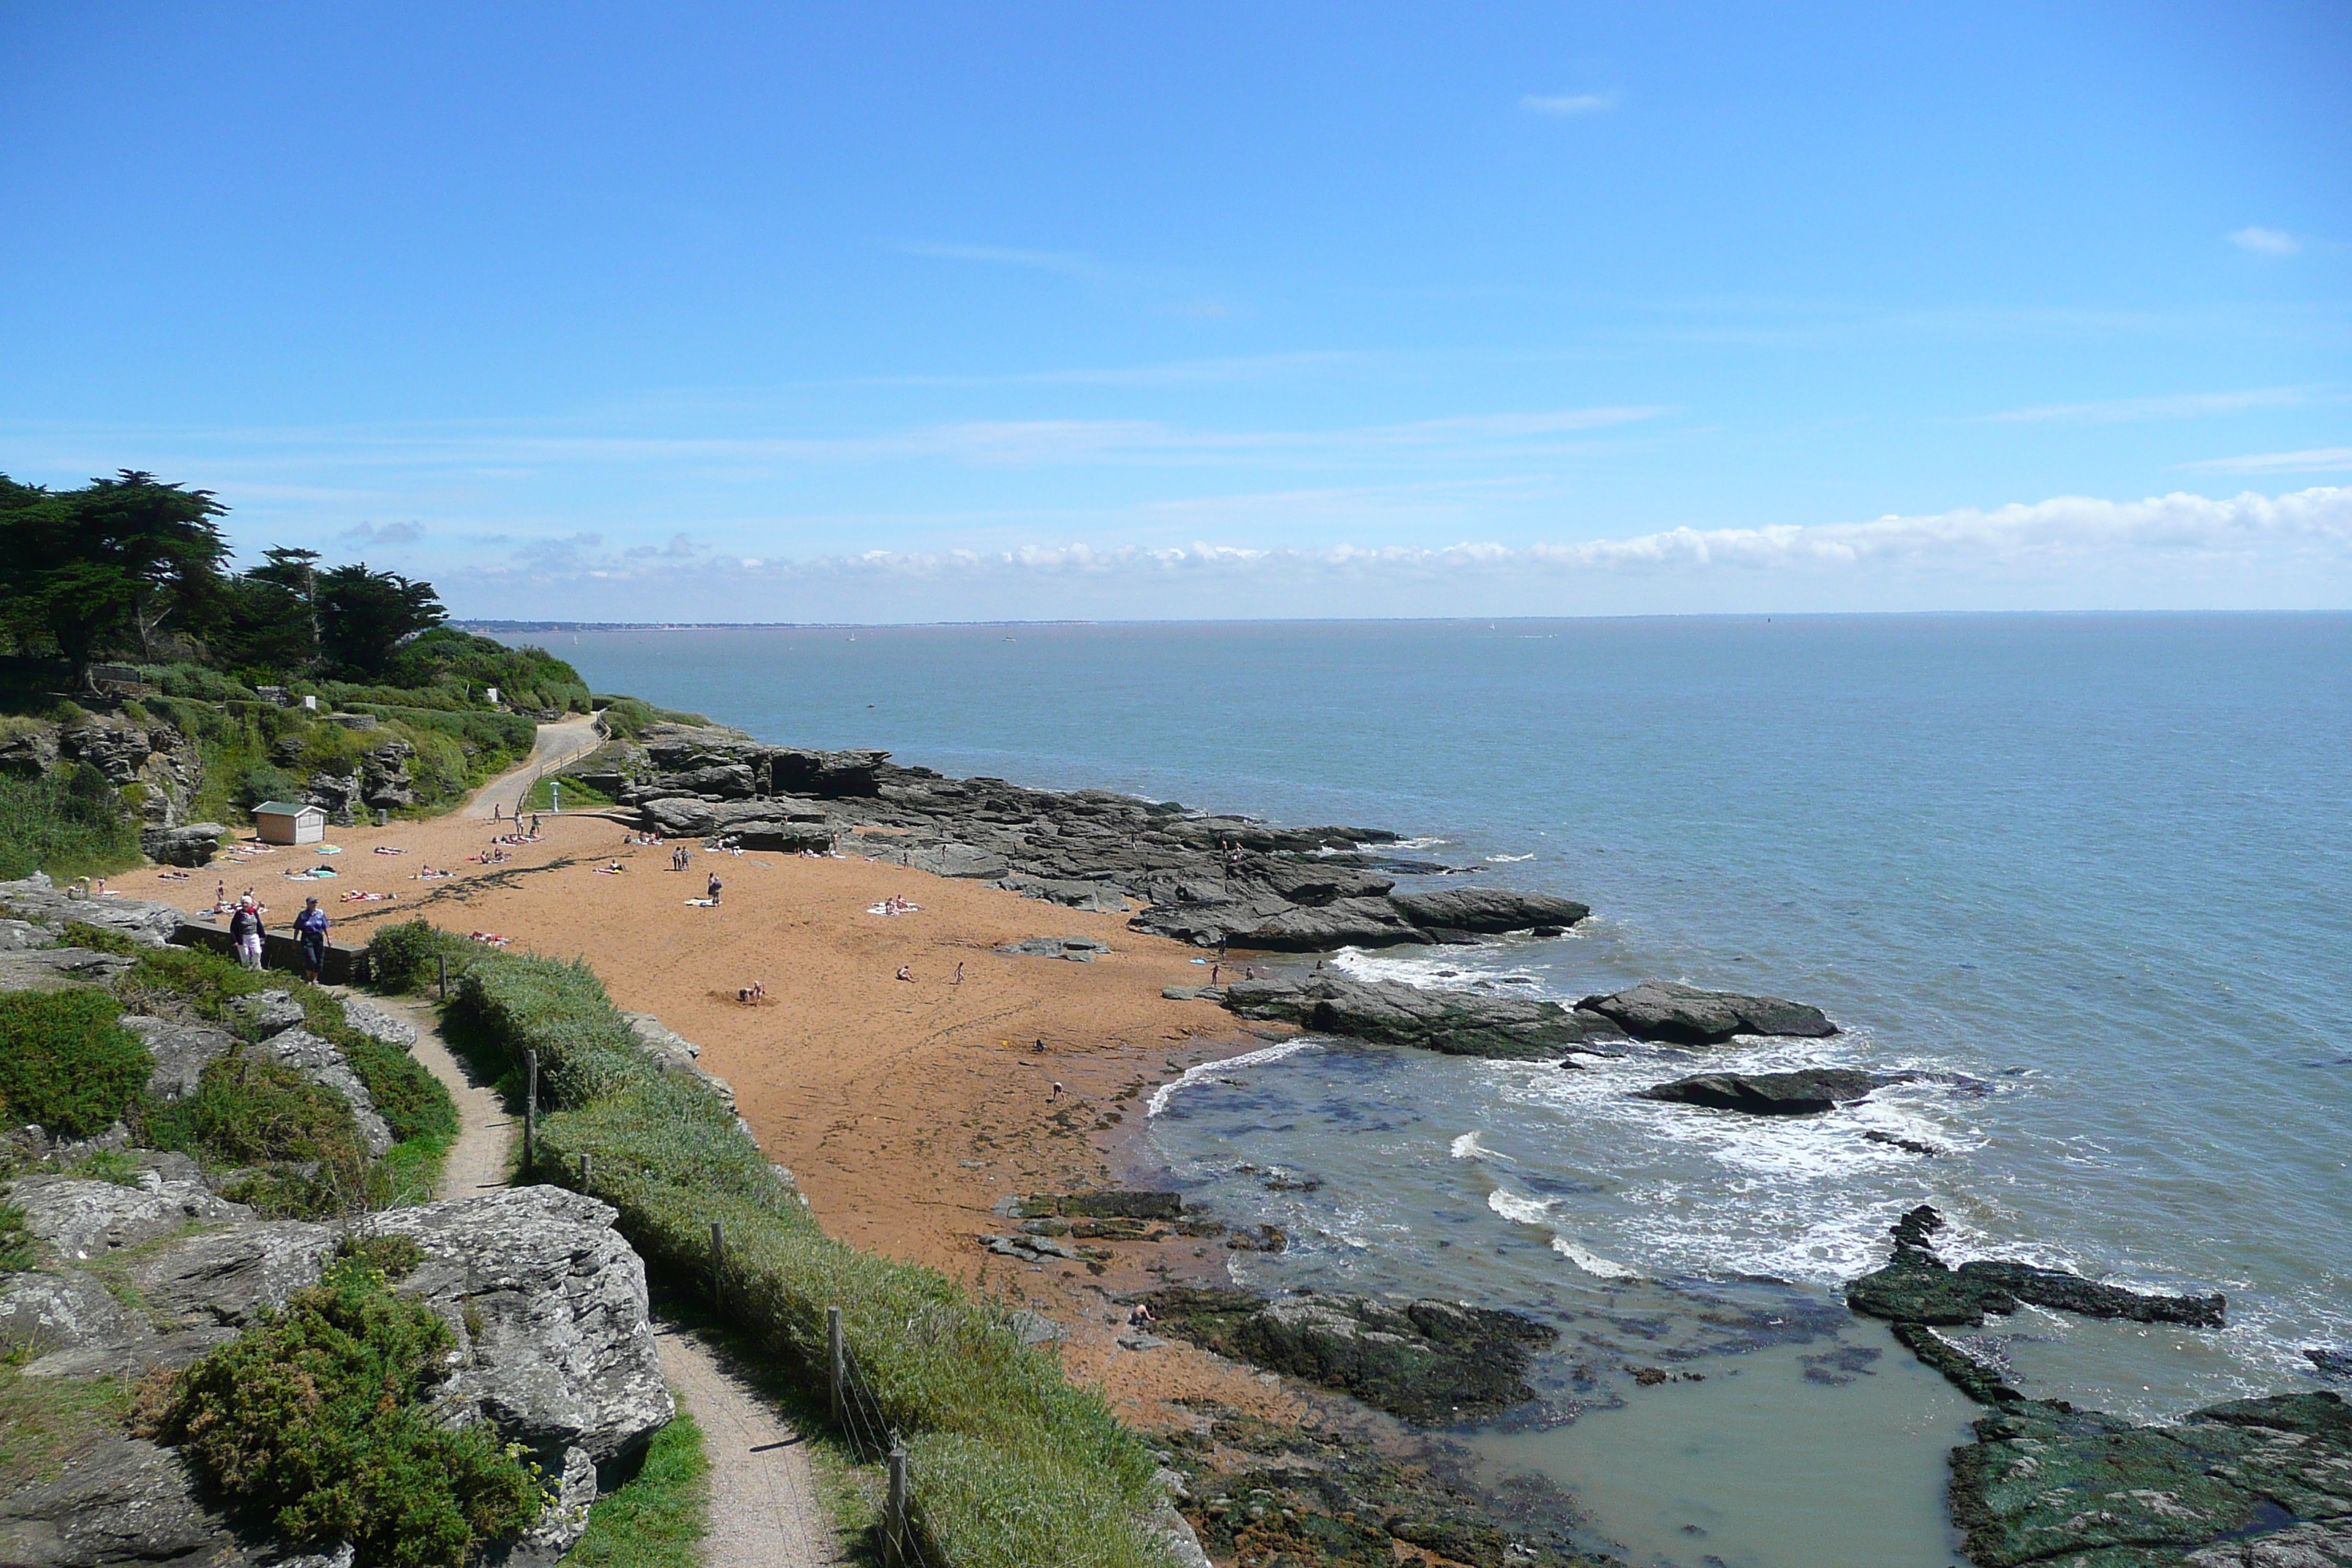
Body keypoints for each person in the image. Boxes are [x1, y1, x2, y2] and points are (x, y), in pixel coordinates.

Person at [294, 896, 329, 983]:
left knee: (319, 959)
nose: (314, 905)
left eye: (315, 903)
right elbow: (297, 928)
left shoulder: (320, 913)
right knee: (311, 959)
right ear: (308, 904)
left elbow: (324, 926)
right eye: (313, 903)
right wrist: (294, 940)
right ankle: (308, 977)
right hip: (307, 937)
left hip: (318, 937)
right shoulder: (303, 915)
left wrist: (328, 938)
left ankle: (314, 980)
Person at [230, 897, 265, 970]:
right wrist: (234, 940)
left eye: (246, 903)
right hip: (243, 937)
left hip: (254, 935)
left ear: (250, 904)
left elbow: (259, 924)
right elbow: (233, 928)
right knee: (245, 955)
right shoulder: (239, 914)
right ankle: (246, 969)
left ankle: (257, 968)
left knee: (257, 952)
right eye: (243, 903)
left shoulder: (254, 912)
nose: (245, 905)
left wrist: (262, 935)